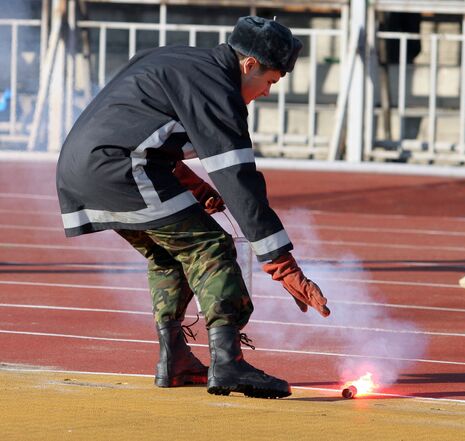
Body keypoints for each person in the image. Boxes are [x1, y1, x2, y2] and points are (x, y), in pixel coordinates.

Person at [56, 16, 330, 399]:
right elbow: (238, 179)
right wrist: (282, 265)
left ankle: (176, 360)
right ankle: (227, 362)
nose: (267, 92)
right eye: (270, 81)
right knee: (211, 248)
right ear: (249, 64)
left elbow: (139, 124)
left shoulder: (177, 60)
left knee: (172, 254)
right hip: (120, 168)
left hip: (80, 169)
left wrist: (191, 185)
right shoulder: (217, 88)